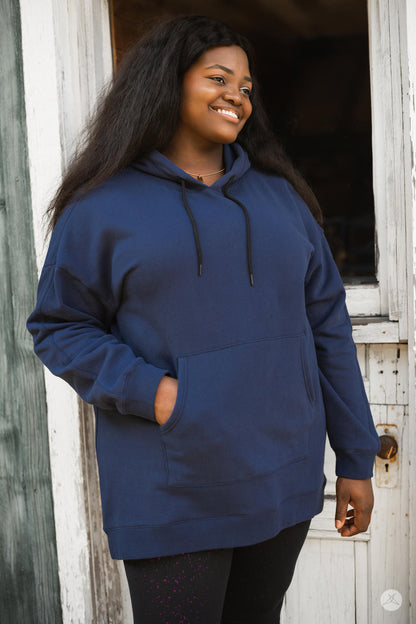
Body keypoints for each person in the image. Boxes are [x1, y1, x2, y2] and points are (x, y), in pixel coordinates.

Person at [27, 15, 380, 623]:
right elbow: (60, 327)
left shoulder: (281, 197)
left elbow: (328, 326)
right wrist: (161, 395)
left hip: (282, 475)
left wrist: (355, 457)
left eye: (246, 86)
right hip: (172, 486)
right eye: (218, 78)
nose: (236, 96)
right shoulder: (102, 208)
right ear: (167, 82)